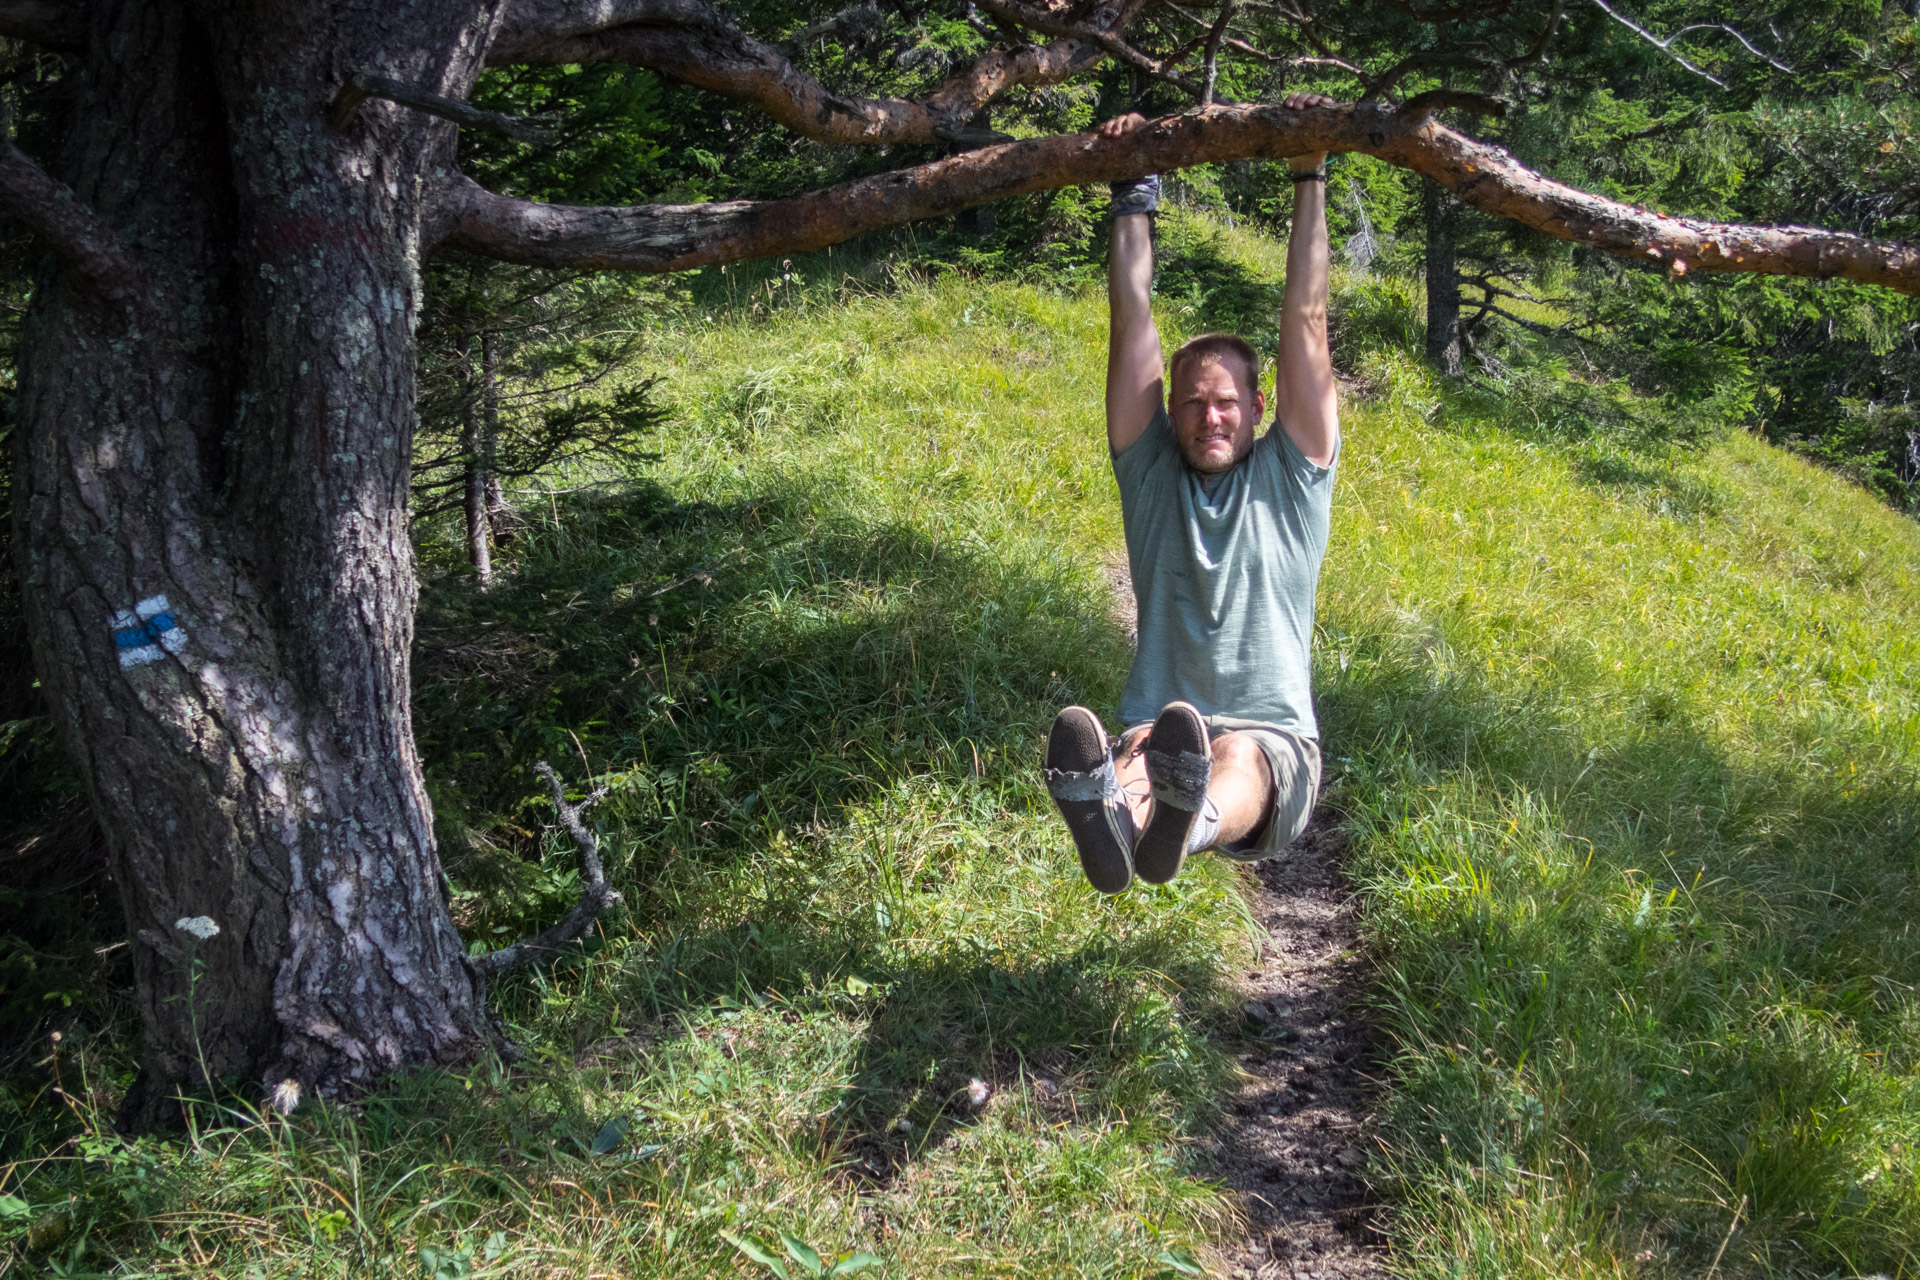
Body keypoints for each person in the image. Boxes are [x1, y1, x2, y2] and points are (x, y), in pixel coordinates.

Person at [1044, 96, 1341, 894]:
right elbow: (1131, 318)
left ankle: (1189, 822)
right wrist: (1130, 191)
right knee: (1138, 757)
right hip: (1162, 730)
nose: (1210, 416)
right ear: (1169, 411)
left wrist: (1309, 171)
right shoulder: (1151, 476)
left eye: (1227, 403)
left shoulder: (1294, 476)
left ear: (1258, 409)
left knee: (1235, 755)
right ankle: (1120, 824)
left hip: (1271, 746)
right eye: (1192, 402)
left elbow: (1306, 321)